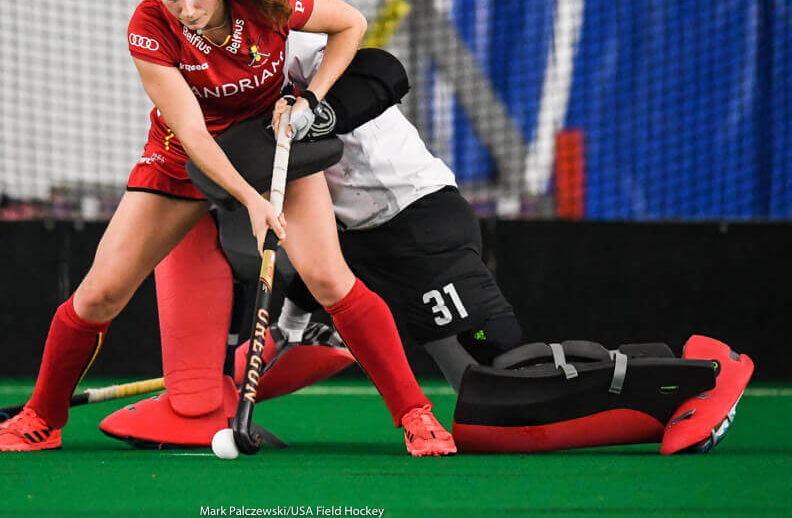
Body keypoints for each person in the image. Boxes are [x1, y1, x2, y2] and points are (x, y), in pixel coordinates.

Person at [104, 31, 753, 455]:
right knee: (480, 405)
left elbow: (385, 70)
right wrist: (218, 389)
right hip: (362, 243)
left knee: (500, 378)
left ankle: (697, 379)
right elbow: (308, 328)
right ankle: (666, 382)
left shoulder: (285, 50)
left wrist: (317, 112)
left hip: (417, 224)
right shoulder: (221, 95)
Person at [0, 0, 456, 457]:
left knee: (329, 279)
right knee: (100, 292)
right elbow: (195, 136)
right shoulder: (148, 29)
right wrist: (251, 202)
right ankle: (41, 418)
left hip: (269, 148)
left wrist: (310, 98)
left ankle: (416, 415)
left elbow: (352, 24)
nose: (185, 9)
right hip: (182, 158)